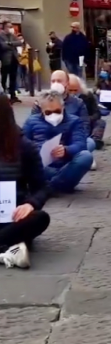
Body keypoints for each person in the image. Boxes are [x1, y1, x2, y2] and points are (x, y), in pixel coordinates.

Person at [0, 94, 51, 269]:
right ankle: (10, 250)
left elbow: (42, 188)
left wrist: (30, 204)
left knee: (40, 218)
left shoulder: (24, 146)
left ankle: (7, 246)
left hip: (11, 216)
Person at [23, 91, 93, 193]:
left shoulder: (75, 121)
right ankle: (58, 184)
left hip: (65, 166)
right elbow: (22, 144)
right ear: (41, 110)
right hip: (41, 166)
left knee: (86, 156)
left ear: (63, 107)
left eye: (57, 111)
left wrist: (66, 150)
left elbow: (81, 144)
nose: (53, 115)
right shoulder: (31, 121)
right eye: (48, 112)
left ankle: (50, 186)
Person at [31, 70, 91, 146]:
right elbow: (33, 126)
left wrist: (73, 145)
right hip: (45, 141)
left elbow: (84, 126)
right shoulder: (39, 103)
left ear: (67, 83)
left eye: (59, 81)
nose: (56, 84)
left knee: (89, 143)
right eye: (53, 81)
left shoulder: (78, 103)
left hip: (71, 141)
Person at [68, 74, 105, 154]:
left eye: (75, 90)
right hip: (71, 126)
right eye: (70, 90)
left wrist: (88, 118)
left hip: (87, 121)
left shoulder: (87, 96)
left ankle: (95, 139)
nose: (73, 93)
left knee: (100, 122)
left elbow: (97, 113)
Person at [0, 20, 21, 103]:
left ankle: (13, 96)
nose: (11, 28)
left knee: (13, 78)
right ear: (4, 27)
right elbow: (2, 46)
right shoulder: (1, 36)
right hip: (5, 60)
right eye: (9, 26)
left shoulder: (12, 35)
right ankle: (3, 97)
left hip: (14, 59)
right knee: (4, 78)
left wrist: (9, 43)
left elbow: (19, 42)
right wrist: (12, 44)